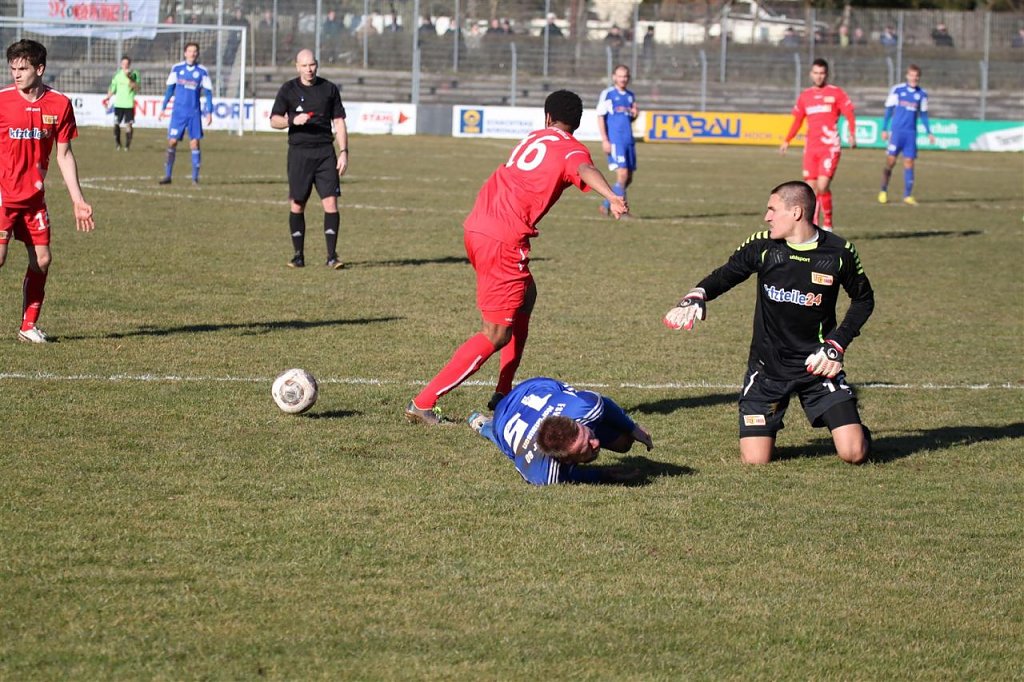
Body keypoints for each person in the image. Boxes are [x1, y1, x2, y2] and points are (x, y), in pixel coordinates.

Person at [404, 90, 628, 425]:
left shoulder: (535, 137)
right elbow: (583, 168)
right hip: (503, 239)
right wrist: (611, 194)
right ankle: (423, 403)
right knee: (496, 334)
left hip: (478, 226)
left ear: (547, 117)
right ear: (577, 123)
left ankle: (503, 391)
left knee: (526, 295)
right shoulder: (572, 148)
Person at [663, 181, 873, 465]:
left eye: (773, 209)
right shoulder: (763, 246)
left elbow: (863, 300)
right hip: (767, 370)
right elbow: (727, 274)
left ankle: (856, 433)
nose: (767, 217)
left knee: (853, 453)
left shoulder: (838, 252)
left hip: (817, 366)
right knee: (755, 460)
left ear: (796, 212)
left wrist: (837, 344)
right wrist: (697, 294)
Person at [0, 39, 95, 343]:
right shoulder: (2, 101)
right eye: (13, 68)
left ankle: (28, 327)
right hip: (3, 198)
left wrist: (78, 200)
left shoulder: (59, 104)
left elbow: (64, 155)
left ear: (39, 69)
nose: (16, 74)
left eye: (23, 68)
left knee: (42, 260)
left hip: (33, 200)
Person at [466, 376, 653, 485]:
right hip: (502, 420)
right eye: (585, 447)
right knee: (503, 439)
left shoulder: (585, 407)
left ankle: (500, 404)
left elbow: (603, 404)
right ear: (565, 460)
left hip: (532, 388)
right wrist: (603, 475)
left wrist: (632, 427)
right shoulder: (539, 472)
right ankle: (486, 426)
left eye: (588, 436)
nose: (596, 443)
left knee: (624, 443)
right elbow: (569, 476)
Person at [270, 49, 348, 269]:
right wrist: (292, 120)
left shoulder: (329, 89)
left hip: (325, 153)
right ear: (297, 67)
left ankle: (332, 257)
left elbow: (339, 122)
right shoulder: (288, 89)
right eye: (304, 66)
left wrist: (344, 151)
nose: (309, 69)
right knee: (297, 204)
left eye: (312, 65)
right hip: (299, 154)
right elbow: (274, 120)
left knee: (331, 202)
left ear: (317, 64)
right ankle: (298, 256)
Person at [779, 58, 856, 231]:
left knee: (823, 186)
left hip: (829, 147)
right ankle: (813, 227)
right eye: (816, 73)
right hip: (811, 149)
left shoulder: (836, 93)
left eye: (822, 73)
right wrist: (787, 140)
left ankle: (827, 223)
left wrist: (852, 133)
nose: (819, 76)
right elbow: (797, 121)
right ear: (811, 74)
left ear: (826, 74)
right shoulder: (805, 96)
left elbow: (849, 113)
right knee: (811, 189)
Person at [878, 65, 935, 206]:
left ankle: (907, 195)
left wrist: (929, 132)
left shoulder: (922, 94)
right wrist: (884, 129)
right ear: (907, 76)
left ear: (919, 77)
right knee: (890, 162)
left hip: (911, 134)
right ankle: (883, 190)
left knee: (909, 163)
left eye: (916, 76)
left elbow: (923, 115)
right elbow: (889, 110)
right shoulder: (897, 90)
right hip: (897, 132)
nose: (914, 78)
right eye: (911, 75)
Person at [158, 42, 213, 185]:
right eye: (189, 51)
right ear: (185, 53)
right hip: (178, 113)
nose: (192, 54)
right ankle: (167, 176)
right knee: (172, 142)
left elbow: (208, 93)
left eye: (195, 51)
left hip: (194, 113)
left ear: (197, 54)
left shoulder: (202, 71)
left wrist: (209, 111)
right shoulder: (177, 69)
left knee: (194, 144)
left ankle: (195, 178)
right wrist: (163, 107)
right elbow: (170, 90)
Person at [596, 65, 638, 218]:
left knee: (628, 178)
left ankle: (606, 204)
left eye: (625, 76)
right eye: (620, 76)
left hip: (629, 141)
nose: (622, 79)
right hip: (616, 140)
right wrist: (605, 140)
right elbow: (600, 116)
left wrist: (635, 115)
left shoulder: (630, 96)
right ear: (614, 77)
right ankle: (622, 210)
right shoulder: (608, 94)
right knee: (622, 175)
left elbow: (628, 118)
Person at [101, 55, 139, 151]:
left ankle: (127, 146)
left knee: (128, 125)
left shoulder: (134, 74)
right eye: (123, 63)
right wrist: (107, 98)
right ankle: (118, 143)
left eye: (127, 63)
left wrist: (130, 77)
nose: (125, 65)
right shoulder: (117, 75)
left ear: (129, 64)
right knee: (116, 124)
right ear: (121, 64)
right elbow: (113, 88)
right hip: (118, 104)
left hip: (129, 104)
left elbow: (136, 88)